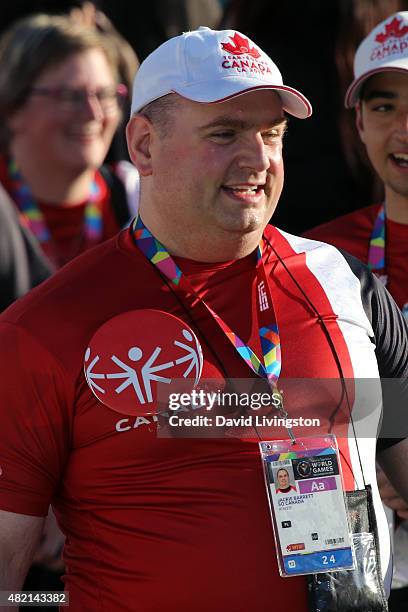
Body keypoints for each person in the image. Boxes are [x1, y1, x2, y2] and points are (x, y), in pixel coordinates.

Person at [0, 25, 408, 612]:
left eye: (273, 133)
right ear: (142, 145)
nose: (258, 158)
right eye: (226, 133)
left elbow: (395, 437)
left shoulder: (346, 283)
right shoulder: (44, 329)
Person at [305, 10, 408, 609]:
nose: (403, 130)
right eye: (384, 106)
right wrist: (382, 459)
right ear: (359, 125)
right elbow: (283, 398)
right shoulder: (315, 259)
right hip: (350, 571)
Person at [0, 13, 139, 272]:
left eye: (105, 95)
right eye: (69, 95)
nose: (93, 113)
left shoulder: (139, 203)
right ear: (12, 108)